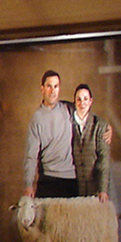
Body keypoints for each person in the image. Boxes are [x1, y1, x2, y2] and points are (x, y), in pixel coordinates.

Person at [22, 70, 76, 199]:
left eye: (56, 86)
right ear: (42, 89)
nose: (53, 91)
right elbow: (31, 156)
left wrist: (107, 127)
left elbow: (88, 117)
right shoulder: (37, 119)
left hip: (71, 179)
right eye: (49, 86)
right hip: (49, 180)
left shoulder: (68, 109)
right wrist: (28, 185)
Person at [70, 83, 109, 202]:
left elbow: (104, 159)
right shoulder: (67, 123)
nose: (82, 103)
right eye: (79, 99)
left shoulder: (100, 125)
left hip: (95, 187)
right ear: (75, 102)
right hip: (72, 187)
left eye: (86, 99)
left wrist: (103, 189)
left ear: (91, 101)